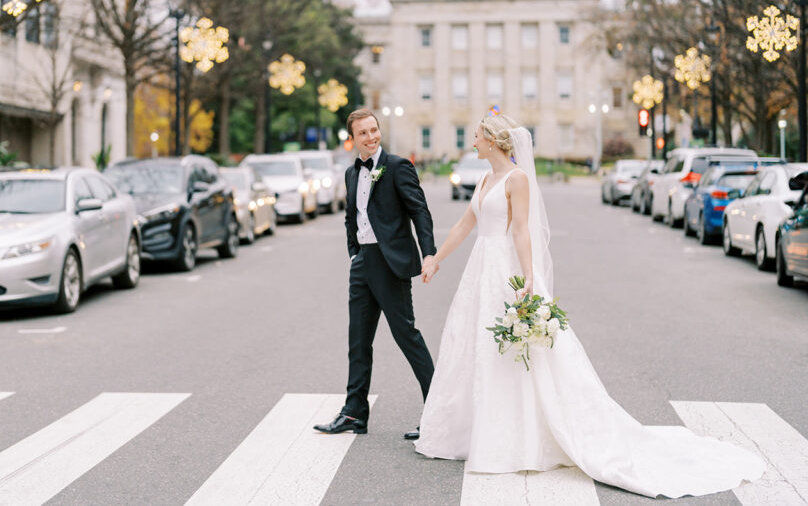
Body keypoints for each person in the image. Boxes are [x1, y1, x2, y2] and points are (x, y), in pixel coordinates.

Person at [413, 114, 765, 499]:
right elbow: (465, 225)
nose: (473, 142)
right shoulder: (484, 179)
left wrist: (529, 277)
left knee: (518, 352)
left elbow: (521, 230)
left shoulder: (517, 178)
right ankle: (479, 430)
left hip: (507, 270)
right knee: (476, 347)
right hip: (480, 269)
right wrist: (435, 258)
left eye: (477, 136)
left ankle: (520, 437)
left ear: (493, 142)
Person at [313, 108, 436, 440]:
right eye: (363, 133)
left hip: (390, 263)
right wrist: (355, 253)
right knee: (358, 341)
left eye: (374, 130)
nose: (371, 137)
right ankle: (354, 413)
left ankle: (439, 412)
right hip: (363, 263)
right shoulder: (352, 173)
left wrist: (429, 253)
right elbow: (351, 217)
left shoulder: (397, 167)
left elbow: (419, 211)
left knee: (406, 336)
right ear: (353, 139)